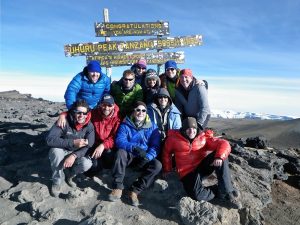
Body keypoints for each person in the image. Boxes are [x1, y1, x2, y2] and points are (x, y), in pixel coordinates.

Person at [162, 117, 242, 209]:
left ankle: (227, 192)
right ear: (183, 129)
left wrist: (219, 157)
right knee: (197, 196)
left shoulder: (203, 138)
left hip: (202, 167)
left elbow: (224, 143)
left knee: (222, 156)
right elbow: (166, 153)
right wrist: (167, 169)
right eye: (188, 128)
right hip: (187, 173)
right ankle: (219, 190)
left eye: (193, 128)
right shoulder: (173, 139)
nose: (191, 131)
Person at [108, 101, 161, 207]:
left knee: (157, 165)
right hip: (130, 155)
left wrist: (148, 156)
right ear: (133, 111)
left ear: (146, 112)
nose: (140, 112)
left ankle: (135, 190)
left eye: (143, 110)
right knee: (120, 152)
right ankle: (118, 187)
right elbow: (119, 140)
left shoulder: (153, 127)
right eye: (138, 110)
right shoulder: (125, 124)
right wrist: (133, 148)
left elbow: (155, 145)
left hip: (143, 157)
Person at [56, 94, 121, 177]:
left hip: (107, 145)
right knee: (92, 169)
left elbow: (115, 136)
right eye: (104, 104)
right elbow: (79, 113)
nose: (106, 108)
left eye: (109, 105)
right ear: (100, 104)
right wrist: (63, 114)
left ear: (113, 105)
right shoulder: (94, 113)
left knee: (109, 160)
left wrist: (103, 145)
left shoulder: (118, 117)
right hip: (93, 144)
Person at [46, 99, 95, 197]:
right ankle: (57, 181)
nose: (82, 116)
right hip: (62, 150)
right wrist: (72, 143)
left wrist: (73, 155)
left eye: (84, 113)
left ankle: (70, 176)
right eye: (78, 112)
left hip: (76, 153)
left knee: (87, 163)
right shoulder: (64, 121)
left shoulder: (89, 126)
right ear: (73, 112)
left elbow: (90, 145)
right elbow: (49, 139)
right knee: (55, 152)